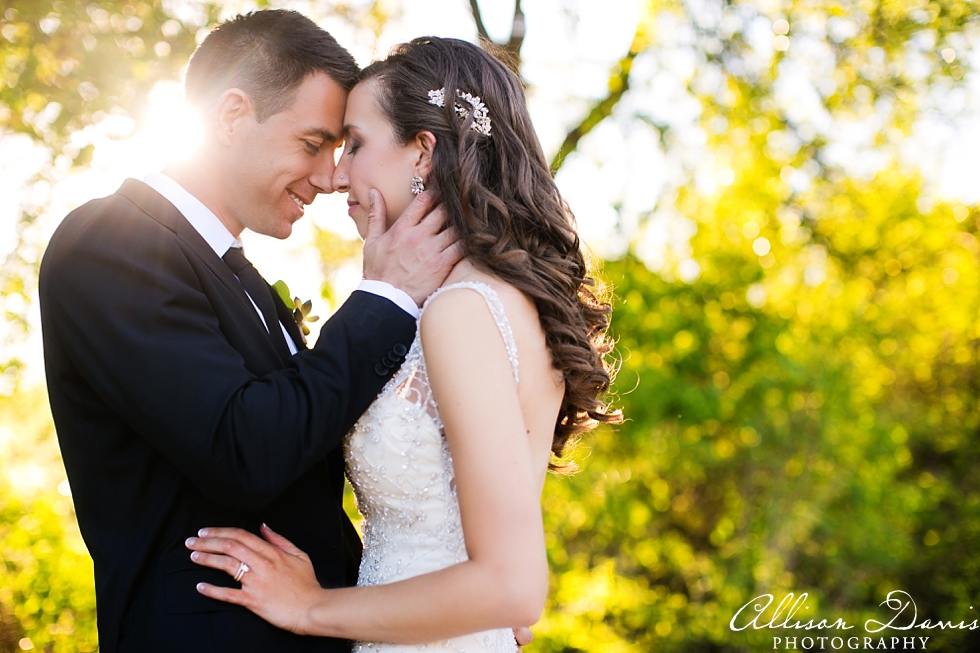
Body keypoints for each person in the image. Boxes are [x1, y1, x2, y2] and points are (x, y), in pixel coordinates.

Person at [38, 11, 462, 653]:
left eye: (340, 150)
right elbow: (246, 450)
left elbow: (307, 490)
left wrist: (450, 600)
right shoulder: (110, 243)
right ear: (232, 115)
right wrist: (386, 296)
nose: (328, 178)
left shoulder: (245, 282)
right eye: (312, 143)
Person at [185, 36, 619, 652]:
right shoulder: (502, 299)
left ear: (422, 154)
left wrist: (312, 608)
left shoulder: (461, 312)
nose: (336, 176)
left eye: (355, 145)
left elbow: (513, 586)